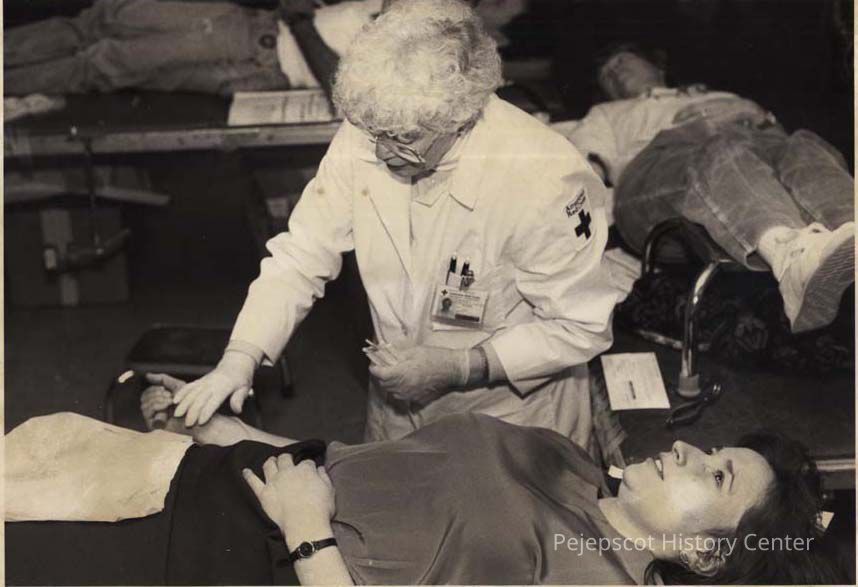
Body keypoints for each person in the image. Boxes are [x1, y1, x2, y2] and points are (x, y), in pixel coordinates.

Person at [169, 0, 618, 446]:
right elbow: (301, 255)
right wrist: (240, 357)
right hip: (399, 399)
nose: (383, 153)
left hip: (507, 412)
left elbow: (582, 325)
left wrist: (463, 366)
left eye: (403, 139)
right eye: (376, 136)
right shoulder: (379, 120)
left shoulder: (544, 179)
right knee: (385, 485)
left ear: (460, 117)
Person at [5, 373, 845, 585]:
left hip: (209, 560)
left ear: (706, 554)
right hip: (202, 476)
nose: (690, 449)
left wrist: (307, 531)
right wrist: (230, 430)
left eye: (717, 474)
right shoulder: (573, 463)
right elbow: (373, 466)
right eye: (712, 447)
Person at [558, 45, 855, 334]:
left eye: (622, 61)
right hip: (657, 179)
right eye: (606, 74)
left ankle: (848, 233)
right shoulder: (608, 112)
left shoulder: (719, 96)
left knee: (803, 145)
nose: (614, 72)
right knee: (722, 147)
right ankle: (790, 259)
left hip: (752, 158)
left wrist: (760, 116)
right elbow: (583, 168)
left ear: (657, 66)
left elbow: (778, 143)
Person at [3, 0, 383, 97]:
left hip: (261, 52)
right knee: (101, 21)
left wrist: (300, 21)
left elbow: (342, 88)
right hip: (256, 25)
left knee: (102, 65)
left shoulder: (420, 56)